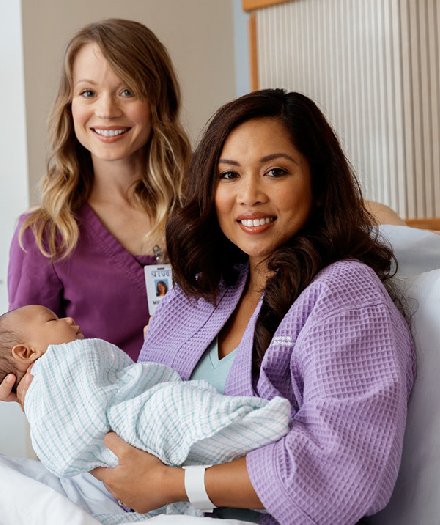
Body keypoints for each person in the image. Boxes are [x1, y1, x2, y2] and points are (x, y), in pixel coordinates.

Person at [81, 89, 417, 525]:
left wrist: (171, 485)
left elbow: (345, 471)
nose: (249, 195)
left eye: (275, 172)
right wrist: (52, 391)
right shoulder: (197, 294)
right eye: (229, 175)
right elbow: (133, 417)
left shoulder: (344, 295)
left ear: (317, 186)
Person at [0, 304, 291, 520]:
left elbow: (111, 387)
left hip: (137, 431)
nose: (69, 321)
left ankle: (255, 436)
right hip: (133, 430)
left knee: (176, 414)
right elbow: (78, 425)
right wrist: (38, 405)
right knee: (174, 415)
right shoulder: (61, 364)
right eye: (53, 320)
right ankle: (255, 427)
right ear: (26, 352)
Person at [6, 18, 190, 371]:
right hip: (101, 426)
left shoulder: (203, 211)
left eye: (127, 91)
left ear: (157, 101)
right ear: (70, 105)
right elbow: (32, 378)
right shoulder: (42, 237)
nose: (106, 111)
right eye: (88, 93)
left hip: (210, 418)